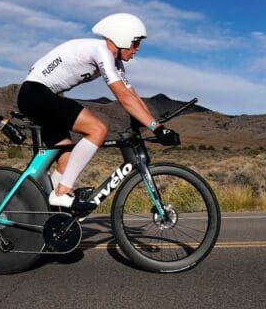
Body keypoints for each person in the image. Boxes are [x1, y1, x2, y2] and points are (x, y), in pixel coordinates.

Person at [16, 13, 179, 211]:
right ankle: (61, 193)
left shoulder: (114, 62)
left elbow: (132, 95)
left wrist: (154, 124)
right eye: (135, 43)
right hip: (36, 94)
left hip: (42, 96)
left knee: (66, 160)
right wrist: (156, 128)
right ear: (122, 38)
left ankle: (43, 212)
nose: (137, 49)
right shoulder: (101, 51)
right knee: (98, 129)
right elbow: (123, 98)